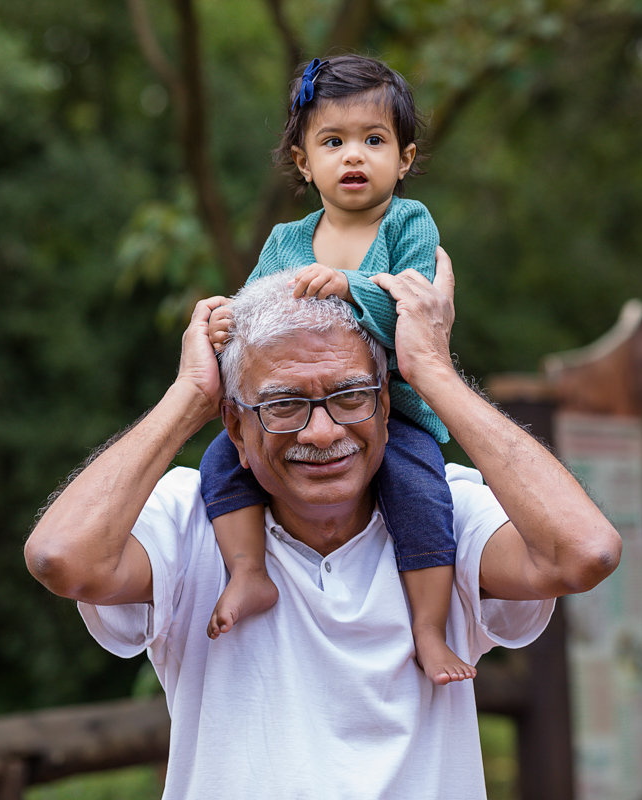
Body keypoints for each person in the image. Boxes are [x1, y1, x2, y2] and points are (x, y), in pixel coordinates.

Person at [24, 253, 623, 799]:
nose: (323, 432)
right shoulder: (188, 519)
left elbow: (583, 552)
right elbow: (63, 557)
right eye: (284, 405)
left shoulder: (445, 511)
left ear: (387, 404)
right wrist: (188, 396)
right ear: (234, 426)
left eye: (352, 396)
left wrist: (433, 372)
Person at [202, 54, 469, 684]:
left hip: (389, 409)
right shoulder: (286, 241)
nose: (354, 156)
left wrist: (350, 287)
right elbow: (258, 319)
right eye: (333, 142)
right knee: (219, 459)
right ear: (304, 162)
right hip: (297, 409)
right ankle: (248, 572)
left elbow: (417, 311)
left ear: (404, 158)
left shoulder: (408, 224)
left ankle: (428, 628)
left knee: (422, 491)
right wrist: (226, 325)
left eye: (374, 141)